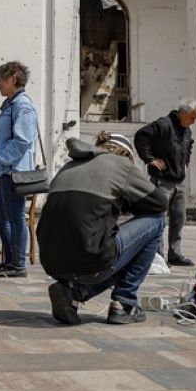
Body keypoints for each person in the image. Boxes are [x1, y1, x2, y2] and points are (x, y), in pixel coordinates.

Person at [38, 132, 168, 325]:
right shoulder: (120, 164)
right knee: (156, 223)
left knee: (107, 247)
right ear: (126, 155)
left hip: (52, 264)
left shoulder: (68, 166)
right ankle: (124, 303)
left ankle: (75, 294)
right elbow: (160, 203)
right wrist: (128, 200)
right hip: (90, 264)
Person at [0, 61, 39, 278]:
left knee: (15, 217)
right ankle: (11, 260)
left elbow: (23, 139)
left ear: (13, 79)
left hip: (14, 171)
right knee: (0, 216)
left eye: (1, 79)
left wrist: (1, 159)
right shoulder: (12, 104)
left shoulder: (22, 105)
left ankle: (17, 263)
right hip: (7, 172)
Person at [134, 97, 196, 267]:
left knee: (179, 219)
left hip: (179, 182)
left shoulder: (186, 131)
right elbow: (141, 136)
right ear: (183, 113)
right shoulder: (163, 125)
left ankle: (175, 254)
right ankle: (157, 257)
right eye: (192, 118)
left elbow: (189, 146)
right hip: (161, 181)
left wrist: (186, 163)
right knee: (159, 220)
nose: (192, 122)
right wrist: (149, 159)